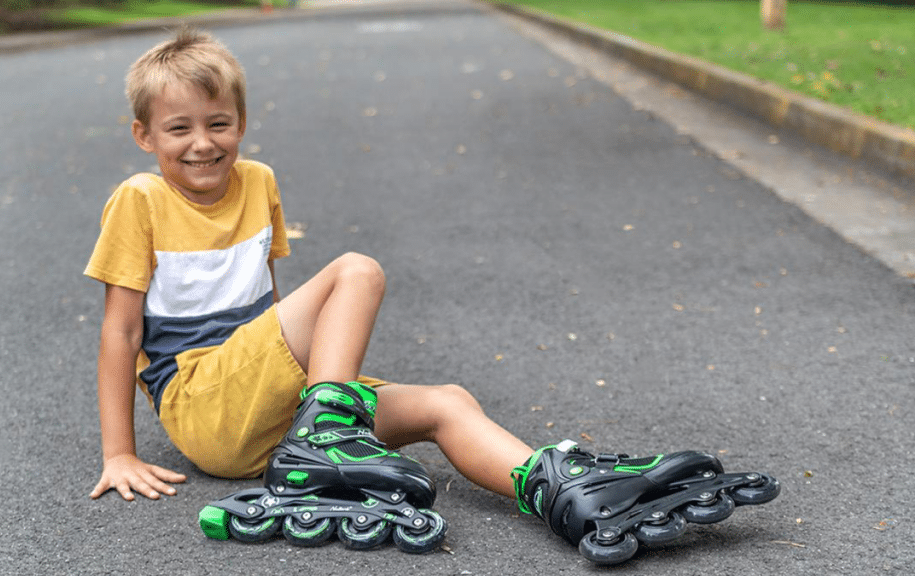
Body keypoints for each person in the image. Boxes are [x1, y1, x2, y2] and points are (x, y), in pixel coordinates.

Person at [85, 28, 778, 564]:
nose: (204, 144)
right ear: (145, 135)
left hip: (265, 399)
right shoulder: (139, 199)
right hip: (204, 402)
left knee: (448, 402)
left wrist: (304, 380)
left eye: (219, 123)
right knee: (357, 270)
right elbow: (121, 333)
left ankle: (559, 490)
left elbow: (270, 309)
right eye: (179, 128)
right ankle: (326, 435)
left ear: (241, 120)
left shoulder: (257, 182)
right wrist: (120, 452)